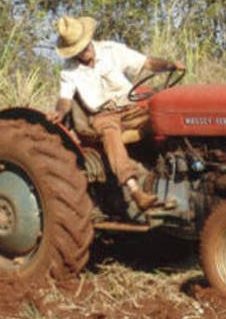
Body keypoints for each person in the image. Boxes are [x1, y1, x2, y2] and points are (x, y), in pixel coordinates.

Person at [48, 15, 184, 211]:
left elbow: (145, 63)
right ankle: (135, 190)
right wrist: (59, 113)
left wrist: (170, 65)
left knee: (165, 118)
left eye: (84, 45)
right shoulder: (69, 72)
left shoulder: (112, 51)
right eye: (77, 49)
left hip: (131, 109)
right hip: (104, 115)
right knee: (110, 132)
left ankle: (172, 175)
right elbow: (65, 100)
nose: (84, 51)